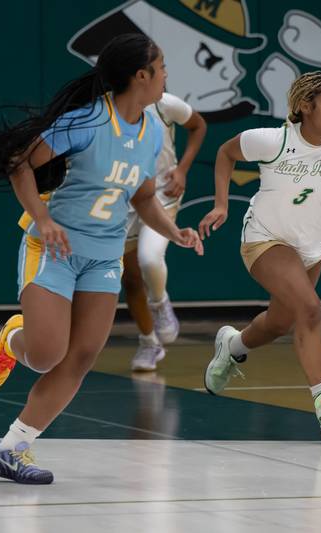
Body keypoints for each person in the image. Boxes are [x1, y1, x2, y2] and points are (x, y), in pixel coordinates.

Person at [0, 34, 203, 484]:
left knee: (79, 358)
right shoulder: (85, 122)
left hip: (103, 258)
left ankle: (11, 449)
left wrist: (173, 231)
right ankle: (12, 339)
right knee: (45, 354)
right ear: (141, 76)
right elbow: (19, 163)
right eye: (161, 68)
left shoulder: (154, 129)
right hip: (54, 249)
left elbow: (141, 196)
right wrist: (41, 217)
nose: (165, 76)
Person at [198, 71, 321, 436]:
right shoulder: (273, 140)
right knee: (310, 308)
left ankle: (232, 344)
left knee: (279, 323)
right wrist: (221, 204)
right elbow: (225, 153)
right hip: (265, 239)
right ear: (305, 106)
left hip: (312, 246)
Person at [123, 92, 206, 371]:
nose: (165, 73)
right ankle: (149, 343)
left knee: (149, 258)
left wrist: (182, 169)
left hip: (162, 191)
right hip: (122, 195)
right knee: (132, 278)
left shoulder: (164, 103)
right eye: (160, 68)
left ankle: (159, 302)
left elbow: (198, 125)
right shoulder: (106, 107)